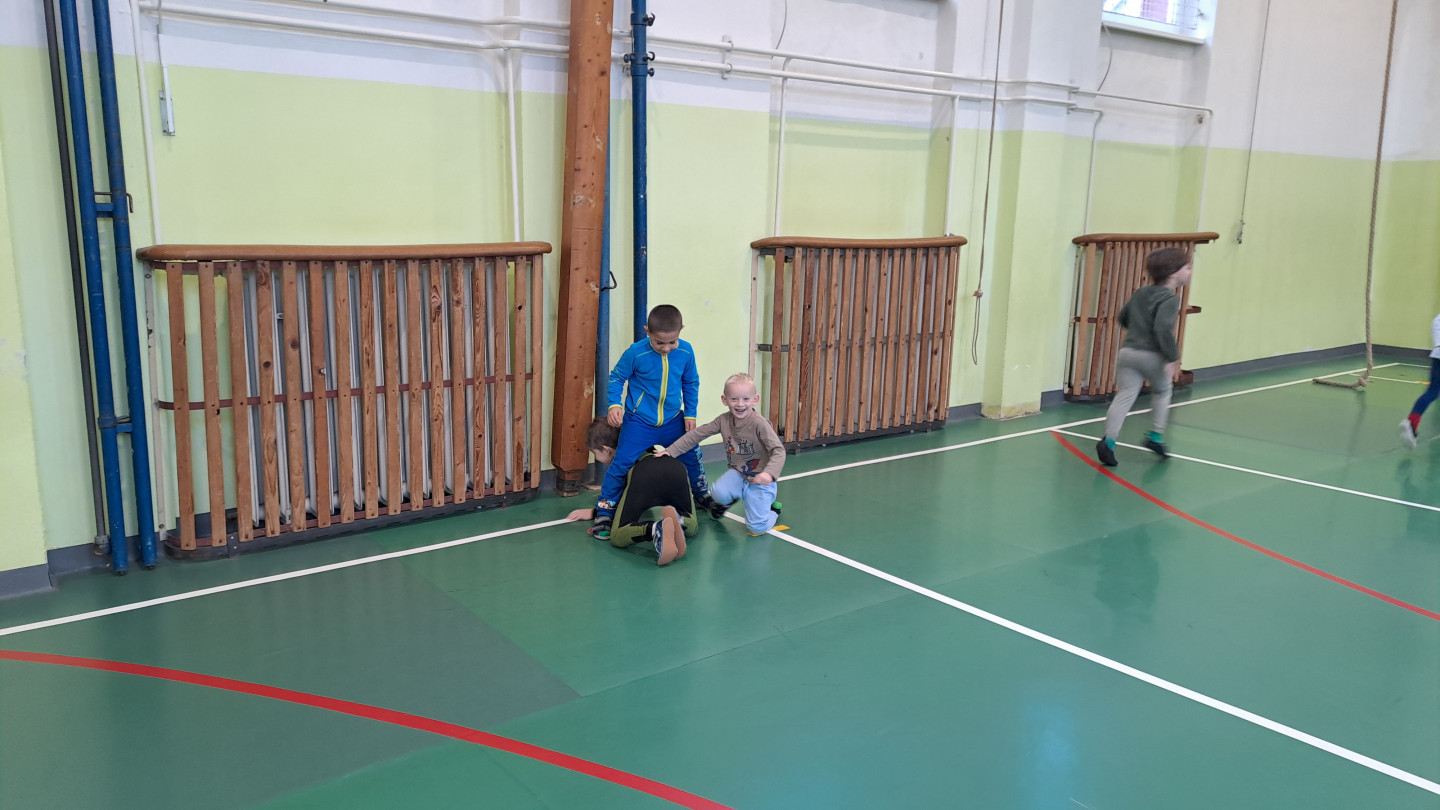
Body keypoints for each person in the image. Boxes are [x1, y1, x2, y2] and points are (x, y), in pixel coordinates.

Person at [592, 305, 718, 541]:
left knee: (691, 454)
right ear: (647, 331)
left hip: (673, 420)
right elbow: (617, 377)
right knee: (621, 464)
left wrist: (690, 414)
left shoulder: (686, 351)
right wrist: (614, 404)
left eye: (672, 342)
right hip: (639, 423)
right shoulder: (636, 353)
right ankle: (605, 511)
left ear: (681, 330)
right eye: (660, 342)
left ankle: (701, 494)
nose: (666, 348)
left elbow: (691, 382)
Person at [1096, 247, 1193, 467]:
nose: (1189, 272)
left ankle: (1108, 441)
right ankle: (1155, 437)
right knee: (1163, 390)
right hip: (1152, 355)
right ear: (1173, 272)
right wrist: (1172, 357)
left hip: (1128, 353)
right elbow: (1162, 328)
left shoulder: (1141, 293)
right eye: (1187, 268)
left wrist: (1138, 331)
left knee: (1125, 395)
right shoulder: (1170, 299)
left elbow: (1123, 317)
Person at [659, 372, 786, 536]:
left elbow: (778, 451)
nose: (740, 404)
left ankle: (773, 511)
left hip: (761, 480)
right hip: (739, 474)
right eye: (734, 399)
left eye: (746, 399)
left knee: (756, 528)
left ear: (755, 400)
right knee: (717, 493)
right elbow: (697, 434)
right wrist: (670, 451)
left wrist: (769, 474)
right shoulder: (723, 420)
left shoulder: (759, 424)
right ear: (724, 400)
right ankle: (734, 495)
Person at [566, 419, 696, 566]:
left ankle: (655, 529)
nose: (596, 458)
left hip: (644, 475)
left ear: (607, 449)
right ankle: (680, 521)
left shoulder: (620, 464)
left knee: (618, 535)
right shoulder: (640, 441)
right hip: (676, 468)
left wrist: (595, 512)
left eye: (594, 453)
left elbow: (616, 499)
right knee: (692, 524)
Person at [1400, 313, 1440, 449]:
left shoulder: (1437, 318)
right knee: (1433, 392)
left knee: (1432, 392)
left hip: (1437, 356)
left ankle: (1412, 422)